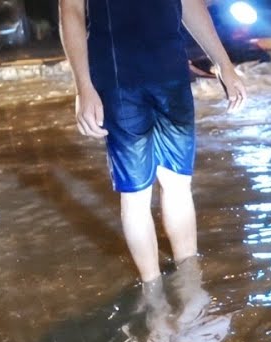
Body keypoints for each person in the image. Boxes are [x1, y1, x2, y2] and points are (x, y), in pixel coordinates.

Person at [58, 0, 248, 283]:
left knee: (178, 183)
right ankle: (153, 294)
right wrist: (83, 88)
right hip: (118, 79)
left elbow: (189, 4)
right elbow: (70, 11)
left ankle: (190, 288)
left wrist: (223, 64)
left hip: (170, 74)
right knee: (136, 192)